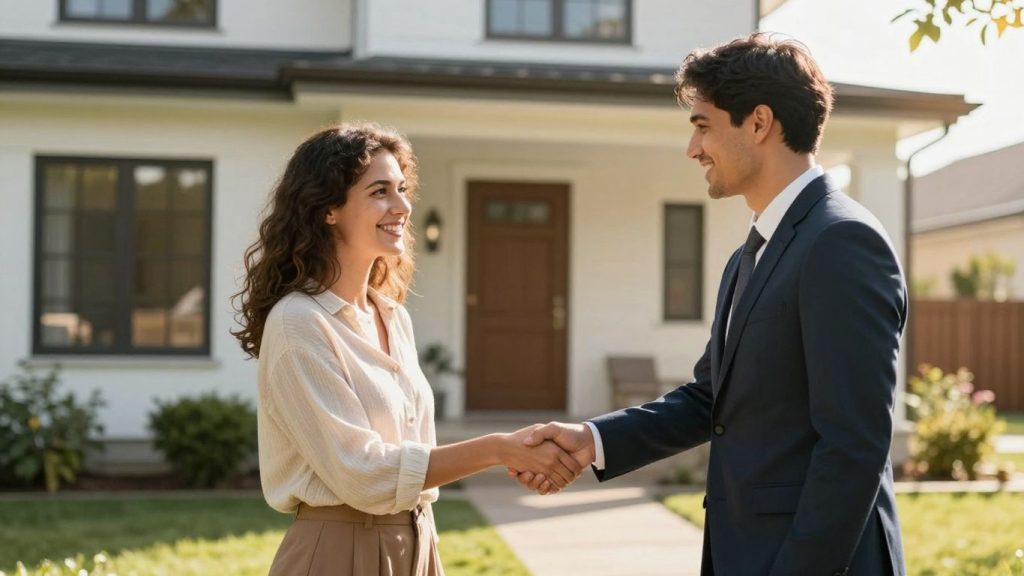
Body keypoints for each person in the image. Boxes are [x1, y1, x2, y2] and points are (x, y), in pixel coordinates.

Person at [511, 33, 908, 576]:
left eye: (702, 126)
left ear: (759, 123)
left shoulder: (841, 242)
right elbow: (711, 400)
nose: (692, 149)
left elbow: (854, 445)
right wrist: (593, 440)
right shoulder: (752, 252)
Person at [232, 123, 583, 576]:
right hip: (338, 553)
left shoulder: (393, 317)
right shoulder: (300, 323)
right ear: (327, 209)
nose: (402, 206)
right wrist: (500, 449)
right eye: (380, 191)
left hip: (418, 542)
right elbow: (364, 473)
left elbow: (411, 458)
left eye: (402, 189)